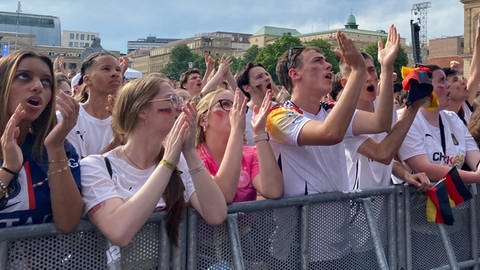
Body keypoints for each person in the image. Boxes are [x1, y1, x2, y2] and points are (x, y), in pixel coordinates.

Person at [81, 74, 227, 247]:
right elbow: (119, 232)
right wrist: (167, 163)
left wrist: (189, 153)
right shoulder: (95, 166)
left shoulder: (179, 161)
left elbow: (216, 215)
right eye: (171, 100)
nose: (180, 108)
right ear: (142, 110)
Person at [0, 49, 82, 232]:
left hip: (43, 260)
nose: (38, 86)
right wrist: (8, 169)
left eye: (46, 82)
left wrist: (55, 148)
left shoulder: (58, 147)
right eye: (24, 76)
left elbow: (68, 223)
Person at [340, 25, 430, 190]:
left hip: (383, 207)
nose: (369, 78)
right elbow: (382, 154)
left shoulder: (385, 109)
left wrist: (406, 175)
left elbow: (388, 161)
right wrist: (413, 107)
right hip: (357, 209)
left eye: (372, 70)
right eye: (360, 72)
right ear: (346, 83)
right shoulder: (344, 117)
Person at [195, 88, 283, 203]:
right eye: (226, 104)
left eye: (239, 106)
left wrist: (260, 133)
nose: (235, 110)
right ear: (203, 119)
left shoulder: (250, 154)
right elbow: (223, 197)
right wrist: (236, 130)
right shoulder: (193, 158)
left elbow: (274, 190)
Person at [398, 65, 480, 182]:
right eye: (442, 80)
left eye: (446, 80)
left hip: (451, 199)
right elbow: (424, 169)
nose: (448, 85)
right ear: (425, 87)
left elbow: (476, 159)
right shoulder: (407, 120)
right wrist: (476, 177)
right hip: (414, 199)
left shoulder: (453, 119)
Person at [64, 51, 123, 159]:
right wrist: (115, 142)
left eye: (118, 70)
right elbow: (77, 170)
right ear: (87, 80)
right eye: (106, 69)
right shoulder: (68, 116)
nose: (115, 73)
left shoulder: (127, 120)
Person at [236, 62, 280, 145]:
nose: (267, 78)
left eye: (266, 74)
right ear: (246, 88)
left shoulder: (281, 108)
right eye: (259, 77)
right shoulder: (241, 118)